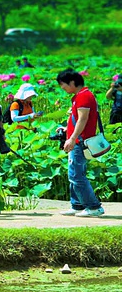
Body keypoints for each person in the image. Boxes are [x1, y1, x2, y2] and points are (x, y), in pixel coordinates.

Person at [56, 69, 104, 217]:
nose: (62, 88)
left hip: (80, 141)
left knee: (76, 175)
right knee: (75, 174)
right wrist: (67, 129)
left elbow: (83, 119)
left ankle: (94, 207)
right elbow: (79, 119)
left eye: (63, 84)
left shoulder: (84, 96)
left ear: (72, 82)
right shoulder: (80, 96)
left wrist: (71, 138)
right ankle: (77, 205)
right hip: (77, 139)